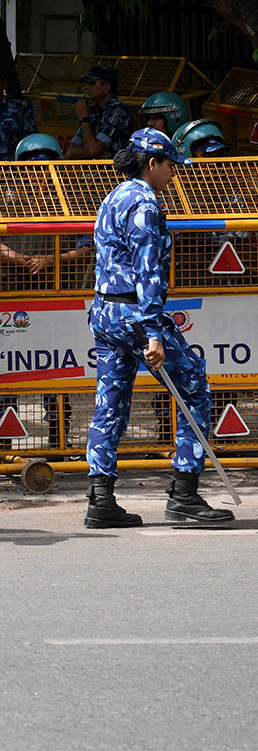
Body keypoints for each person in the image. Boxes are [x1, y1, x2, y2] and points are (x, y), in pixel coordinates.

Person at [83, 128, 233, 527]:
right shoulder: (145, 205)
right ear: (153, 163)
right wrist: (152, 332)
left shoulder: (115, 195)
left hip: (106, 312)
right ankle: (184, 491)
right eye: (170, 166)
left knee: (109, 403)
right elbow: (148, 273)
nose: (173, 174)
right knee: (195, 387)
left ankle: (100, 499)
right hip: (136, 316)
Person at [0, 133, 93, 447]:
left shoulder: (70, 205)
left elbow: (86, 250)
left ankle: (59, 436)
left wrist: (50, 260)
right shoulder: (5, 202)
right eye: (31, 169)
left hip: (54, 300)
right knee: (5, 370)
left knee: (57, 369)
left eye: (45, 168)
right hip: (9, 298)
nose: (38, 176)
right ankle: (2, 438)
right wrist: (23, 260)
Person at [66, 64, 133, 160]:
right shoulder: (93, 110)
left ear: (105, 87)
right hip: (89, 173)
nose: (86, 88)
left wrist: (84, 120)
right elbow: (71, 153)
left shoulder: (119, 110)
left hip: (112, 173)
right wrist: (95, 150)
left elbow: (94, 150)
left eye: (91, 83)